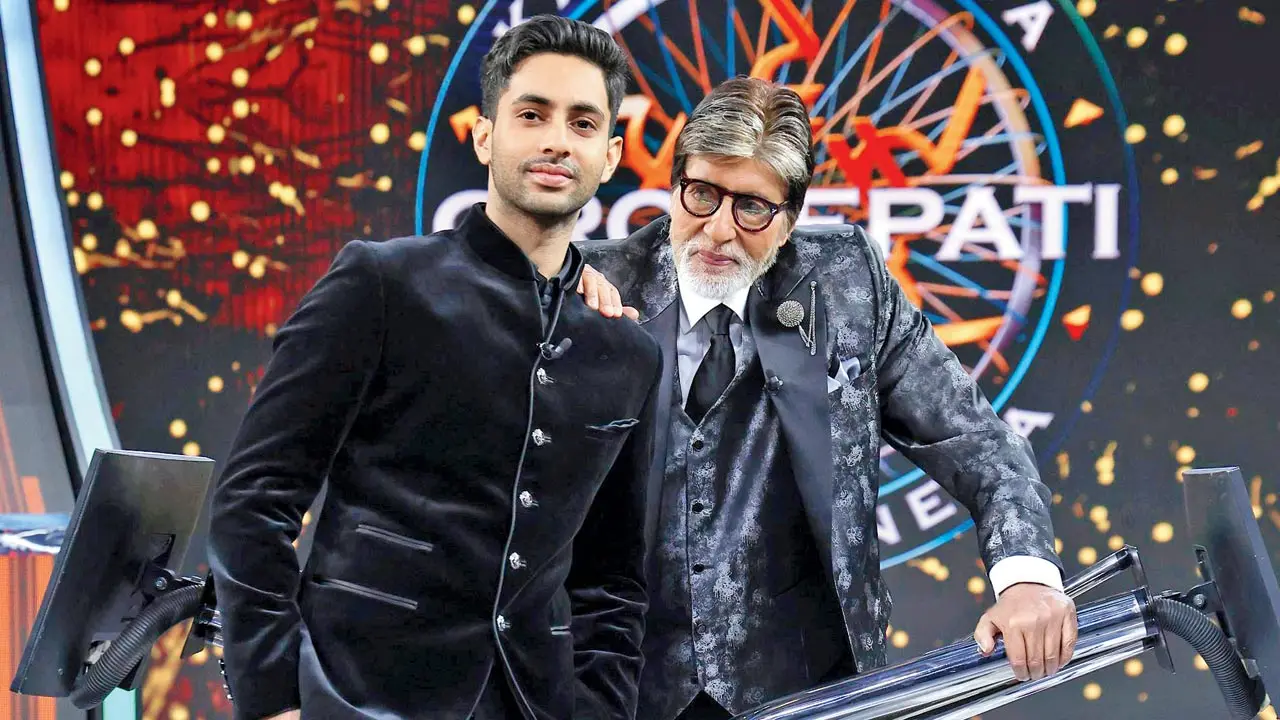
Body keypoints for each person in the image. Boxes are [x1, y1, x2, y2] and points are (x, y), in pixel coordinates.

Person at [579, 77, 1077, 719]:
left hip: (810, 688)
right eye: (701, 194)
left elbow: (978, 442)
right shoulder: (587, 284)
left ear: (789, 219)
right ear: (674, 186)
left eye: (751, 207)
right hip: (615, 690)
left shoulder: (848, 285)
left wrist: (1027, 576)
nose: (719, 230)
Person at [207, 15, 661, 720]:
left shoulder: (628, 352)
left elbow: (613, 583)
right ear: (483, 136)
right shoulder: (382, 284)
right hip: (359, 695)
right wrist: (274, 696)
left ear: (610, 156)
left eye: (582, 123)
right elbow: (254, 498)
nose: (556, 140)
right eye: (532, 114)